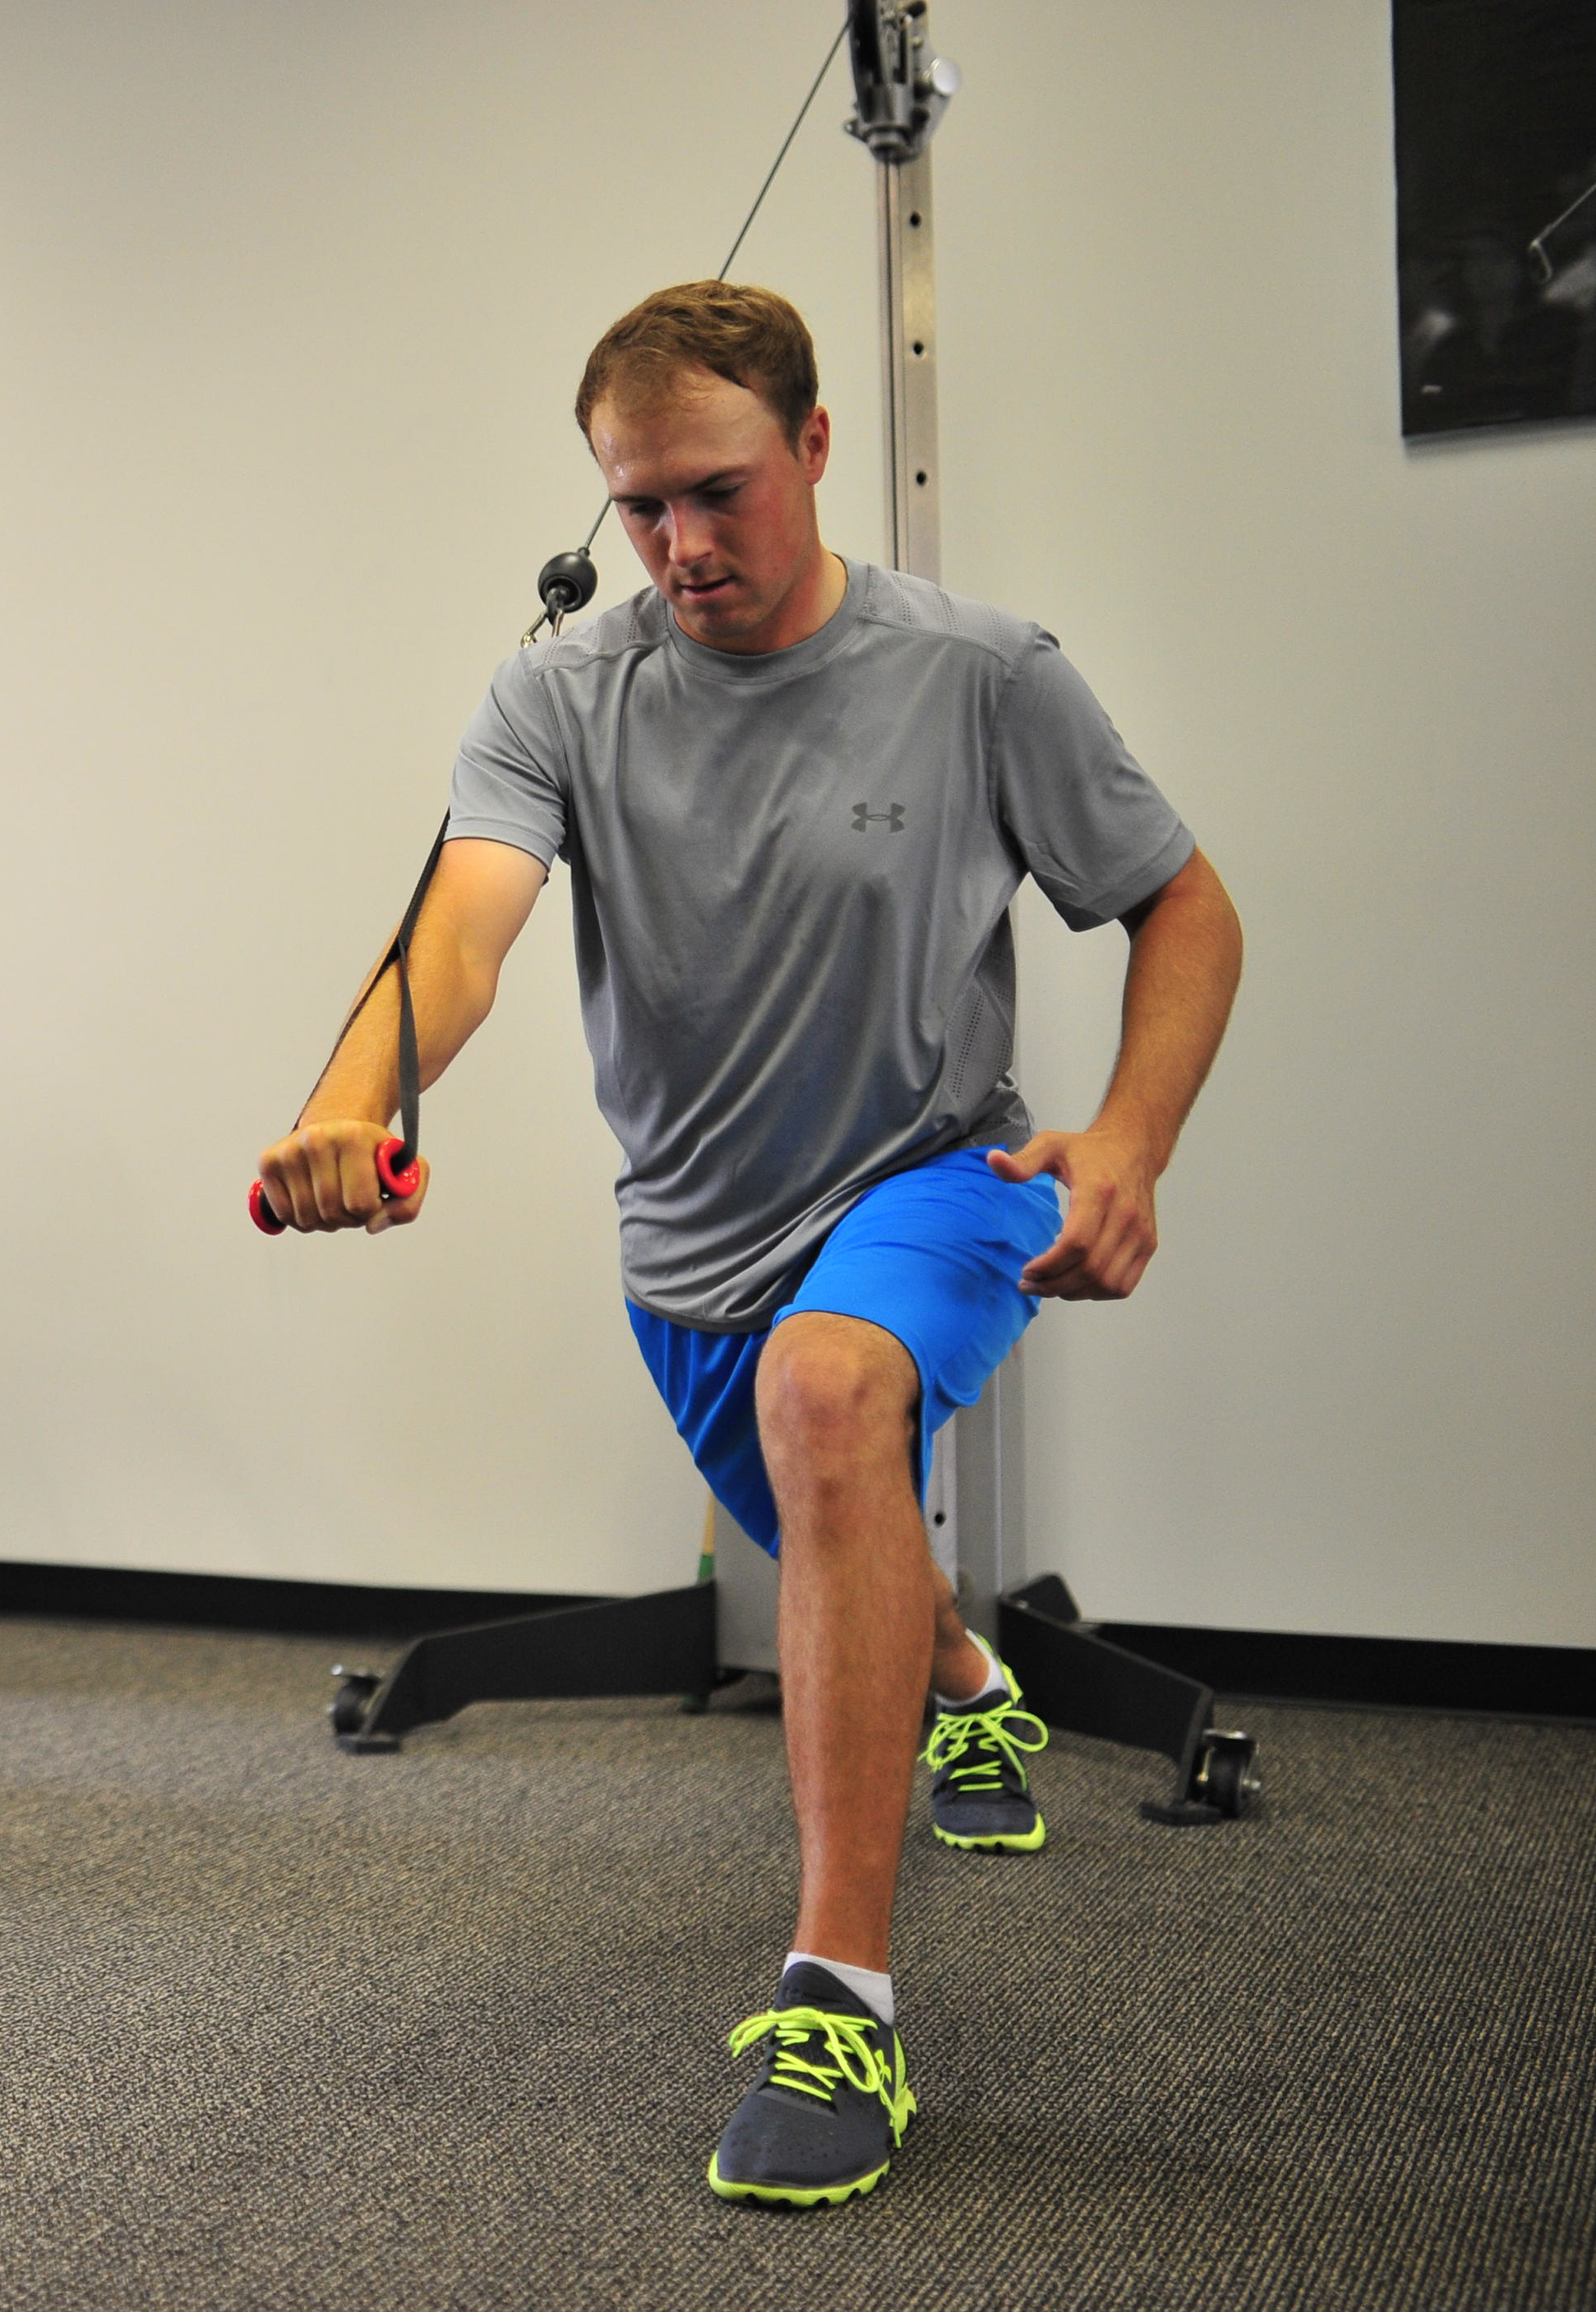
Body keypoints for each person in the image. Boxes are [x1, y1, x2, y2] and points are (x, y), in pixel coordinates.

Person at [252, 281, 1243, 2208]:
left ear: (810, 447)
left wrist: (1129, 1139)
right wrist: (347, 1101)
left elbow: (1185, 906)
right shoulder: (563, 688)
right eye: (639, 507)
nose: (681, 545)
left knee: (826, 1389)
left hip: (936, 1173)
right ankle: (965, 1672)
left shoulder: (983, 673)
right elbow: (458, 932)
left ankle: (837, 1996)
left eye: (717, 490)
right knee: (826, 1502)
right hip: (689, 1237)